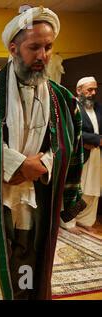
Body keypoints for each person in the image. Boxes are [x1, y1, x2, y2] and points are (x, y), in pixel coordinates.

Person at [0, 6, 86, 300]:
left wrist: (44, 164)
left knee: (26, 270)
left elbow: (69, 147)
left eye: (48, 47)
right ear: (14, 48)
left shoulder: (62, 99)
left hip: (35, 200)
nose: (42, 56)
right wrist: (16, 164)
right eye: (34, 47)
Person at [61, 77, 100, 234]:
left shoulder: (98, 108)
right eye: (89, 89)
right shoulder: (71, 107)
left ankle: (86, 220)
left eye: (95, 89)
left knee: (93, 190)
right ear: (78, 90)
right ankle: (68, 223)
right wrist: (97, 139)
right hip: (79, 155)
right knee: (76, 188)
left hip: (96, 156)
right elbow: (69, 129)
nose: (93, 93)